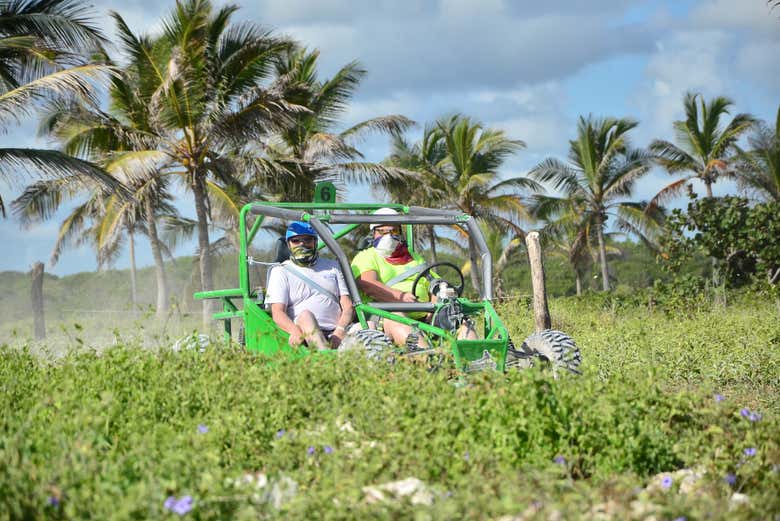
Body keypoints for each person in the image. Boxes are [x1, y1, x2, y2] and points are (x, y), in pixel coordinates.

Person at [350, 208, 434, 346]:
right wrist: (400, 297)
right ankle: (429, 360)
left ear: (400, 233)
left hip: (425, 316)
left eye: (393, 231)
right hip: (384, 315)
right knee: (399, 319)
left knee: (459, 320)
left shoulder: (414, 257)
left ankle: (475, 361)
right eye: (382, 231)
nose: (388, 236)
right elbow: (368, 285)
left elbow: (434, 283)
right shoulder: (367, 257)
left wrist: (435, 309)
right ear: (373, 234)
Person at [266, 221, 353, 350]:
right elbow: (278, 312)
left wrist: (339, 331)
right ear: (288, 244)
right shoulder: (281, 271)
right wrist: (294, 331)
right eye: (296, 241)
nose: (302, 244)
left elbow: (348, 306)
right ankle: (326, 360)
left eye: (307, 240)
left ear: (315, 242)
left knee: (369, 326)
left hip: (337, 330)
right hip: (304, 330)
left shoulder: (333, 266)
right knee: (306, 316)